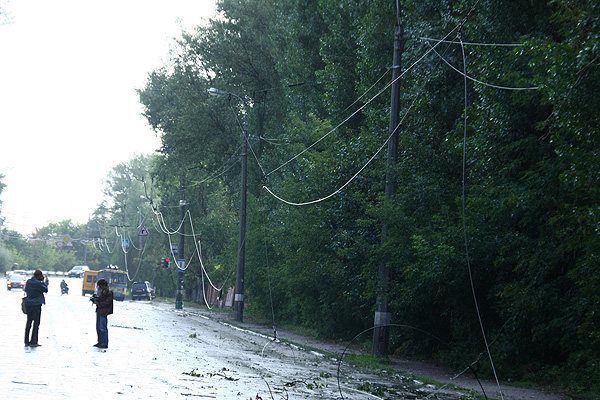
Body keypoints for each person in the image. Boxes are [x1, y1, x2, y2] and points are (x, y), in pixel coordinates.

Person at [24, 269, 48, 347]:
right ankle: (34, 341)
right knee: (36, 323)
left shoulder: (28, 281)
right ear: (39, 276)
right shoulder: (39, 283)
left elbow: (26, 290)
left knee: (29, 322)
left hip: (28, 304)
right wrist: (44, 282)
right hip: (36, 305)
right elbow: (46, 289)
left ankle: (26, 341)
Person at [91, 278, 113, 349]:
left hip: (104, 312)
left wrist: (98, 303)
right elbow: (100, 299)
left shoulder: (109, 292)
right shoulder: (102, 291)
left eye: (100, 286)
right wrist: (95, 298)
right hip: (99, 311)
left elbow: (107, 302)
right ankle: (100, 342)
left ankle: (104, 343)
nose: (99, 287)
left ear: (103, 285)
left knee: (103, 328)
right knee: (98, 327)